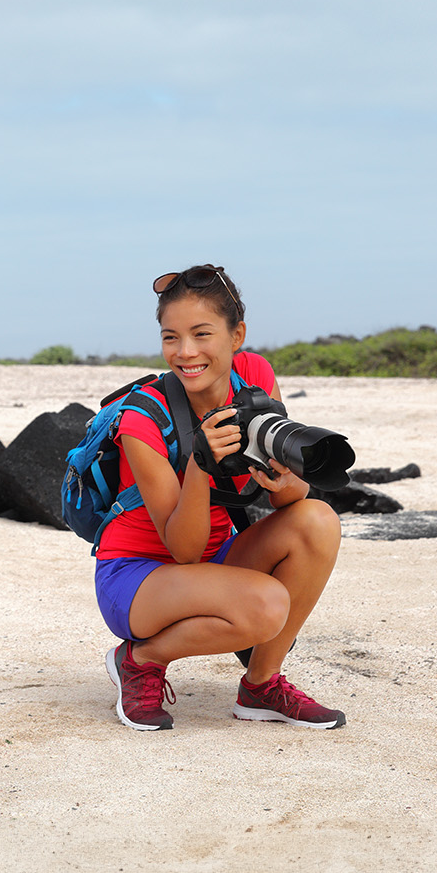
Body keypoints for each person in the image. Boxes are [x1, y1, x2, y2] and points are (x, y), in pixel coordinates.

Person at [95, 264, 346, 731]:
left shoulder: (253, 375)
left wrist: (281, 478)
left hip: (215, 559)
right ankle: (139, 659)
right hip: (139, 575)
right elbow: (183, 551)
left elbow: (290, 498)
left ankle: (261, 686)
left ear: (237, 335)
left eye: (201, 334)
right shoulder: (141, 421)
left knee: (318, 520)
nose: (185, 352)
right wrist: (199, 461)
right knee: (266, 605)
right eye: (171, 337)